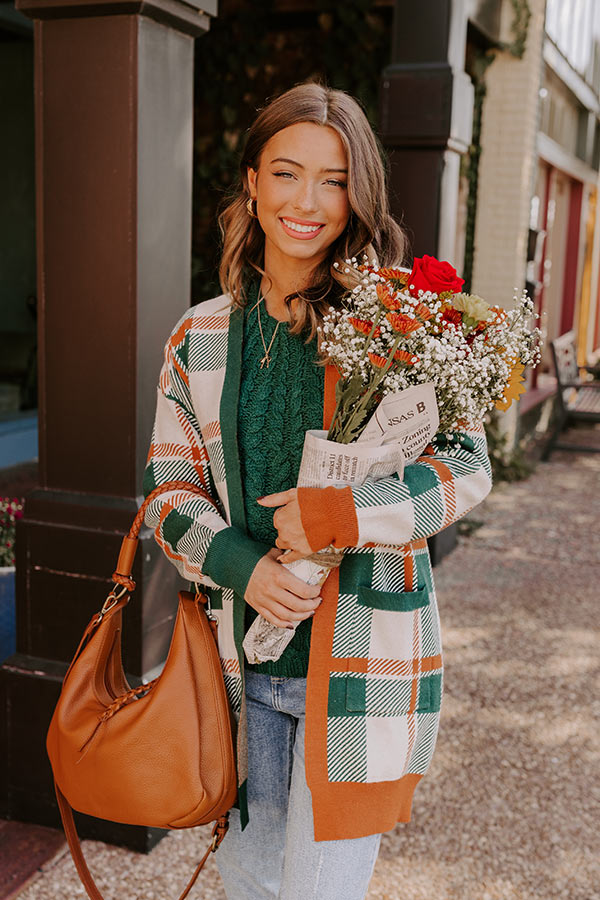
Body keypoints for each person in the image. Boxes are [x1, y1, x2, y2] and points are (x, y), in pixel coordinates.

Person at [143, 82, 492, 900]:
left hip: (363, 670)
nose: (309, 202)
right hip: (238, 673)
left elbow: (465, 468)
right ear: (254, 184)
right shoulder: (202, 336)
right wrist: (242, 565)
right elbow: (169, 489)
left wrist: (343, 512)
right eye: (288, 173)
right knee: (251, 882)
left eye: (333, 180)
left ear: (358, 193)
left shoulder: (400, 325)